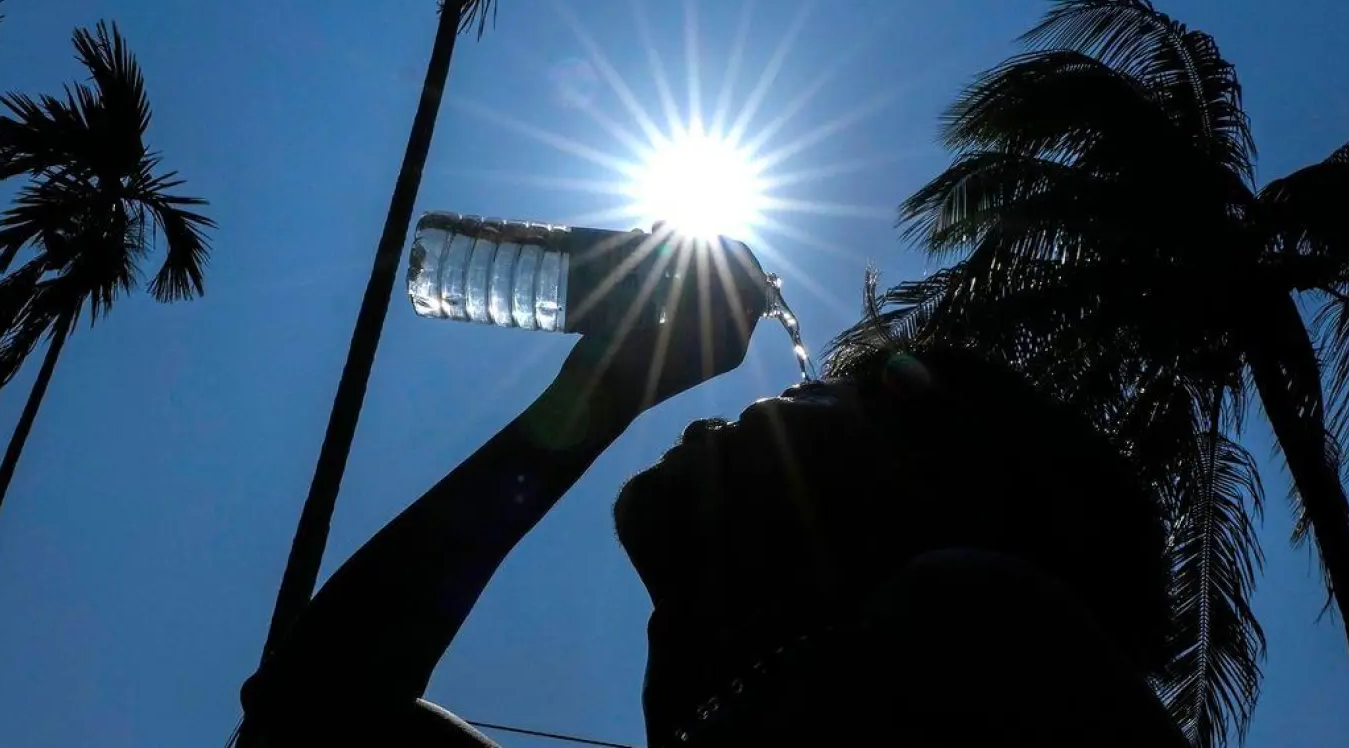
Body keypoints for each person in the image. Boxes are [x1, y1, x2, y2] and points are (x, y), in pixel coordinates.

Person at [237, 270, 1187, 747]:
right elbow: (310, 715)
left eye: (802, 401)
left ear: (919, 482)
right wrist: (596, 393)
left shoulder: (980, 630)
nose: (726, 416)